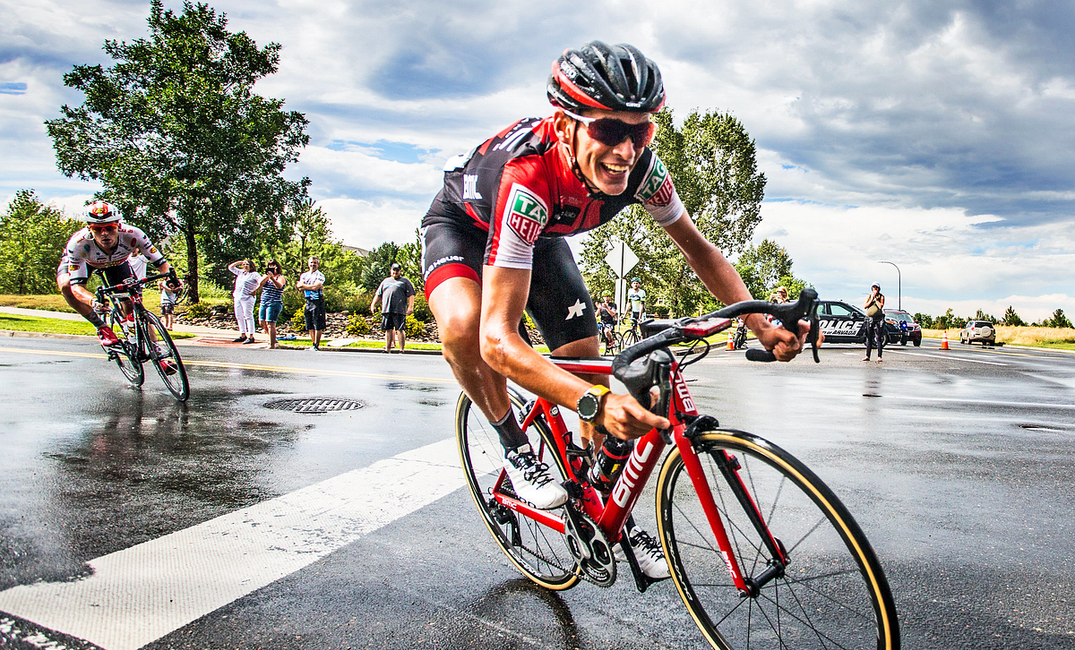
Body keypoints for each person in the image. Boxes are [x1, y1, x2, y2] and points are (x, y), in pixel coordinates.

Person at [420, 41, 809, 579]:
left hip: (541, 235)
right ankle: (515, 446)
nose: (625, 149)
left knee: (583, 353)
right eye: (607, 129)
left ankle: (605, 510)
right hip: (466, 226)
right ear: (565, 127)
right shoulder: (529, 176)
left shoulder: (645, 172)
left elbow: (698, 249)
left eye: (641, 129)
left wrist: (760, 324)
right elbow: (498, 341)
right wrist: (589, 401)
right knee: (465, 331)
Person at [59, 200, 180, 373]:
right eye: (97, 229)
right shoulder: (78, 244)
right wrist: (93, 302)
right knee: (65, 286)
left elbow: (161, 263)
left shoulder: (134, 234)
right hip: (86, 261)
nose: (104, 234)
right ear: (89, 229)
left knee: (134, 305)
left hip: (116, 263)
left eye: (109, 228)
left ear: (118, 226)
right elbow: (77, 287)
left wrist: (169, 279)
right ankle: (102, 328)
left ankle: (157, 353)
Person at [371, 262, 416, 353]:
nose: (395, 272)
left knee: (400, 329)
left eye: (397, 270)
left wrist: (410, 307)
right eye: (394, 270)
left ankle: (401, 349)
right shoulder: (385, 281)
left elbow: (411, 295)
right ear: (390, 271)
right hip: (387, 309)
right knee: (388, 329)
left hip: (399, 309)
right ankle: (387, 349)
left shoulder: (404, 281)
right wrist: (373, 304)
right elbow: (378, 294)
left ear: (400, 271)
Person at [253, 259, 286, 349]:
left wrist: (272, 278)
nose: (271, 268)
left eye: (273, 266)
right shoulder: (266, 276)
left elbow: (279, 286)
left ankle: (272, 345)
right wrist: (267, 276)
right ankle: (273, 339)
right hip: (264, 301)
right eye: (270, 266)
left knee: (270, 323)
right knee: (262, 322)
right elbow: (260, 283)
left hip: (274, 302)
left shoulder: (280, 277)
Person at [227, 259, 262, 344]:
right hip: (238, 296)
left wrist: (255, 290)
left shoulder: (254, 275)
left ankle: (251, 335)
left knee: (248, 315)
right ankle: (242, 334)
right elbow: (230, 267)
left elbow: (261, 282)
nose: (245, 266)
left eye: (247, 264)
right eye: (244, 264)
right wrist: (240, 262)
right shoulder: (241, 273)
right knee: (239, 315)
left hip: (248, 297)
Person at [296, 256, 326, 350]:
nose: (313, 264)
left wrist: (305, 286)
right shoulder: (304, 275)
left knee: (318, 323)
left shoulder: (320, 275)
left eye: (315, 263)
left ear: (318, 264)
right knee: (309, 324)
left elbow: (315, 287)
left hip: (317, 301)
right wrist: (309, 286)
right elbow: (299, 287)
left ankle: (317, 344)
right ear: (308, 263)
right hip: (308, 300)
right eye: (311, 262)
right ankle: (313, 343)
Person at [863, 282, 885, 362]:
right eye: (874, 287)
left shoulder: (881, 297)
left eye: (877, 287)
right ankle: (867, 355)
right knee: (869, 337)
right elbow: (865, 306)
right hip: (869, 319)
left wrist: (876, 299)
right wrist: (871, 299)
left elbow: (880, 306)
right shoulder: (868, 296)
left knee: (878, 337)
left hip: (878, 319)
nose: (875, 289)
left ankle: (879, 356)